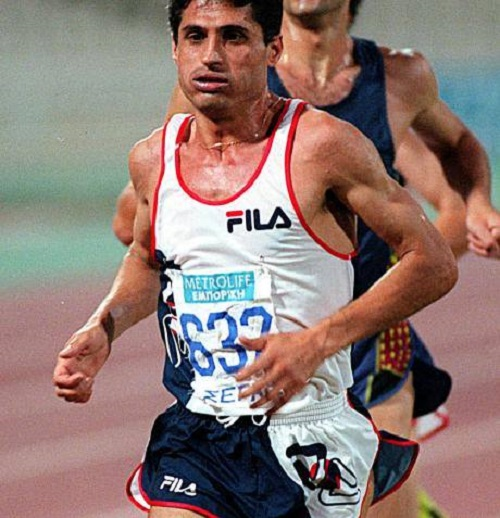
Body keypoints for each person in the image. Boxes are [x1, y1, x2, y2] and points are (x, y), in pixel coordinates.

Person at [53, 0, 458, 517]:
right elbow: (147, 260)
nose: (211, 55)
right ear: (174, 49)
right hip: (200, 433)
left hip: (312, 431)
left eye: (234, 37)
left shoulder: (321, 146)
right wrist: (104, 325)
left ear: (272, 49)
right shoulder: (153, 159)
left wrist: (315, 344)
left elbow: (433, 262)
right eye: (195, 37)